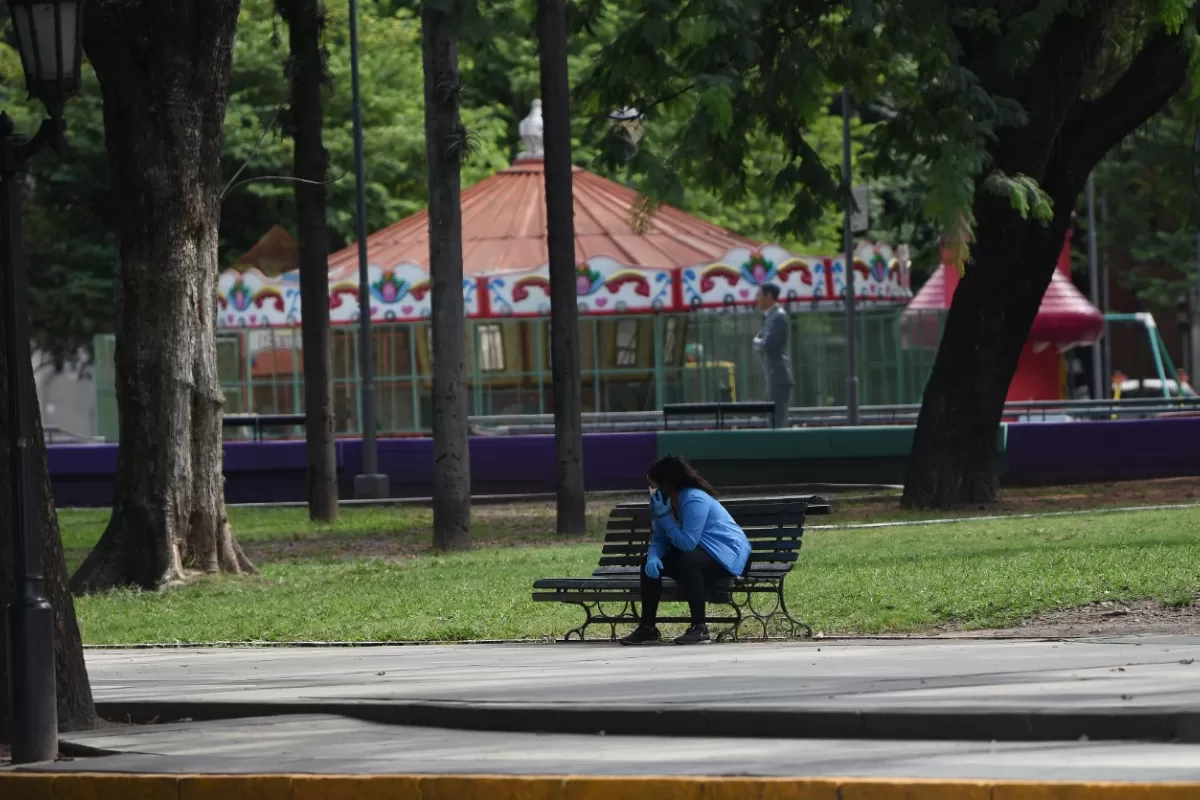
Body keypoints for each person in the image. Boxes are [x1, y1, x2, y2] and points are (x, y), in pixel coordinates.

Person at [620, 456, 751, 646]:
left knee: (688, 561)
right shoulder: (661, 502)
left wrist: (665, 517)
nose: (651, 489)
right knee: (647, 562)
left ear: (667, 483)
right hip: (699, 554)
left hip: (729, 555)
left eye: (653, 484)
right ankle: (647, 628)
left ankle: (700, 628)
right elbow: (658, 537)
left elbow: (688, 543)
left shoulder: (694, 499)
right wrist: (653, 556)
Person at [752, 283, 793, 428]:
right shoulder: (770, 316)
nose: (757, 299)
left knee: (778, 421)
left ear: (769, 297)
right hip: (773, 375)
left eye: (759, 295)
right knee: (773, 420)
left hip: (779, 376)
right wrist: (759, 341)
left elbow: (766, 344)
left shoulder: (778, 317)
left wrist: (756, 341)